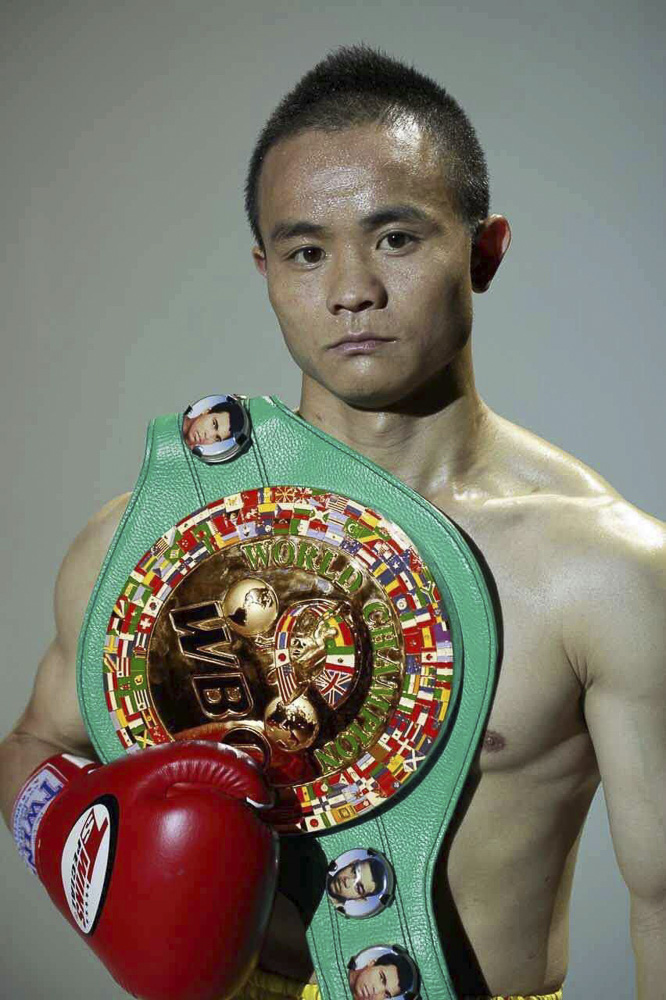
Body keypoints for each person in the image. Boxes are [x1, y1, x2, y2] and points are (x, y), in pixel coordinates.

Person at [1, 42, 665, 1000]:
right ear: (267, 269)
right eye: (308, 253)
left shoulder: (603, 572)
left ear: (483, 252)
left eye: (396, 238)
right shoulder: (142, 550)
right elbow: (31, 749)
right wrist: (94, 868)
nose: (351, 290)